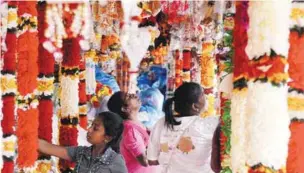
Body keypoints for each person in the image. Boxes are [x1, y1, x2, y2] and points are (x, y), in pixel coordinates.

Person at [147, 82, 218, 173]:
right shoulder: (207, 125)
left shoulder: (162, 123)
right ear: (195, 106)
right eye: (203, 95)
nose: (206, 97)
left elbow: (152, 160)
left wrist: (169, 153)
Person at [38, 111, 127, 173]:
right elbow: (48, 148)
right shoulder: (81, 153)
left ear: (107, 137)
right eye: (91, 125)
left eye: (95, 128)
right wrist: (28, 139)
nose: (89, 129)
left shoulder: (115, 161)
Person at [108, 91, 158, 173]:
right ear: (124, 109)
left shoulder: (133, 125)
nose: (133, 95)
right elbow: (144, 160)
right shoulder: (130, 131)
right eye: (128, 97)